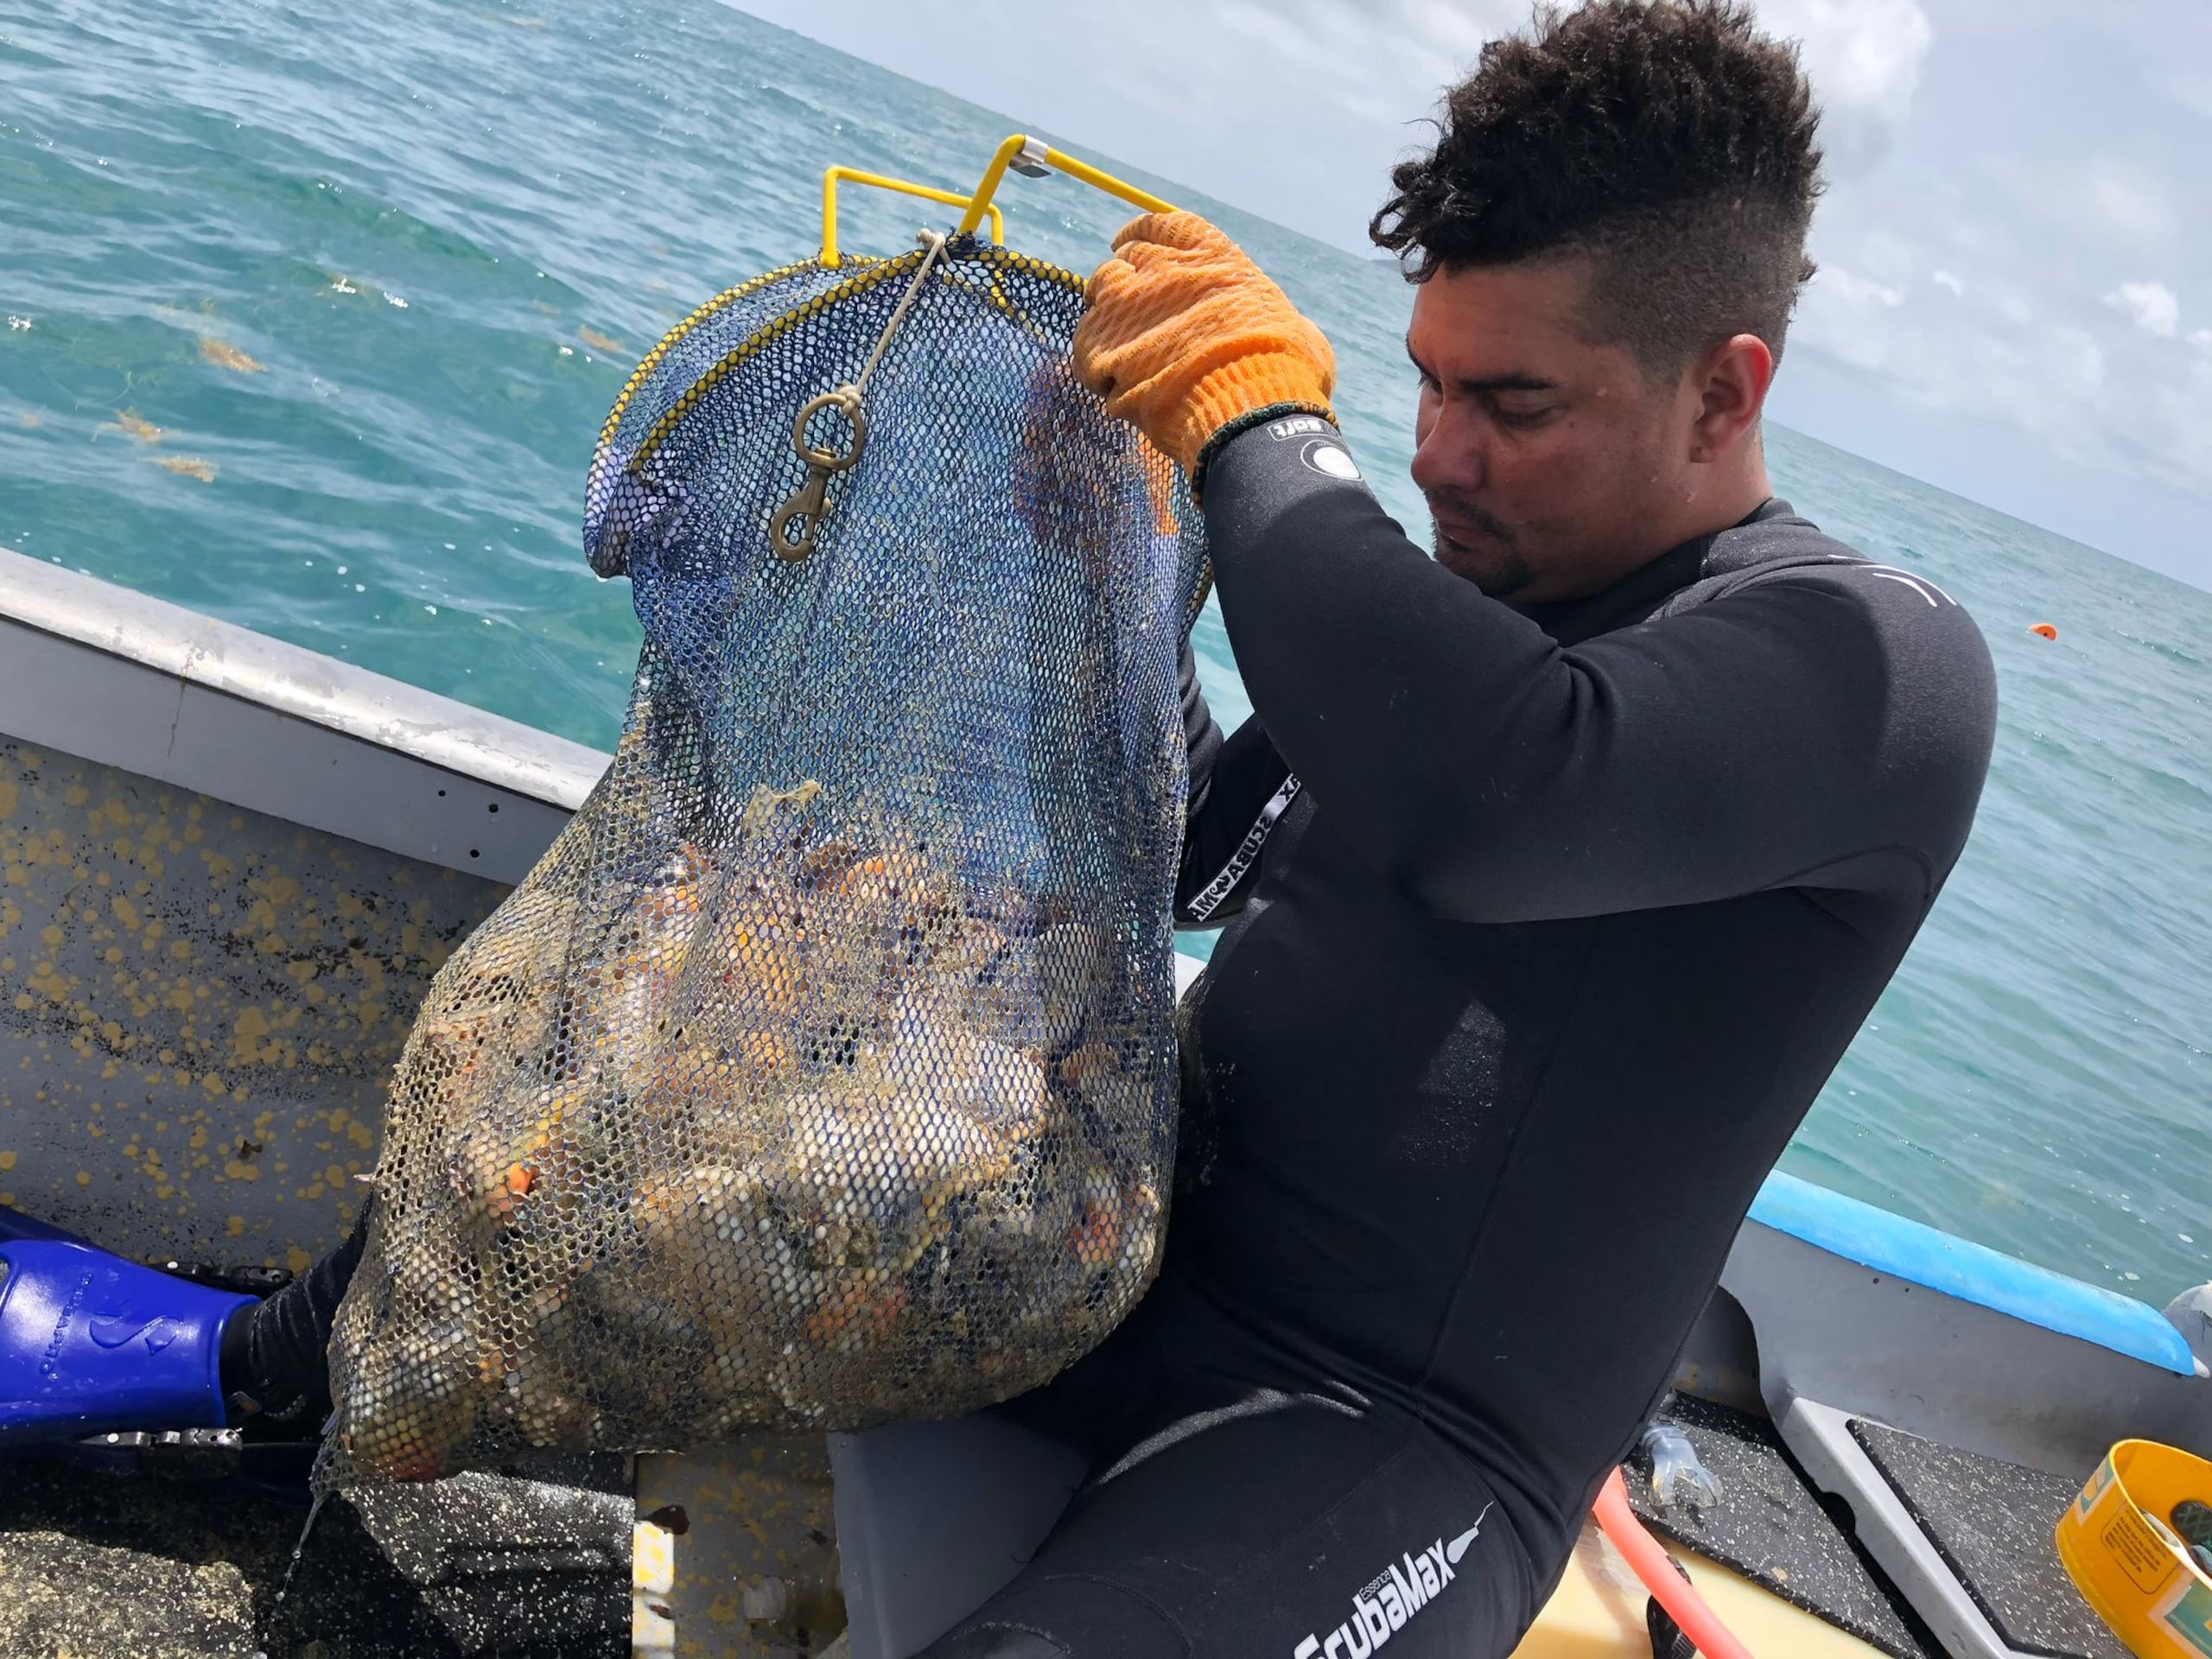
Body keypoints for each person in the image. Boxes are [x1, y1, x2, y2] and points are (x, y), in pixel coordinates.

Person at [1, 3, 1994, 1654]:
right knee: (597, 1150)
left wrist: (1245, 422)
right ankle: (259, 1372)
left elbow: (1487, 794)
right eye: (1417, 386)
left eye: (1517, 405)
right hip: (1101, 1253)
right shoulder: (1458, 610)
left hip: (1384, 1429)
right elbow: (1187, 861)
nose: (1439, 456)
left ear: (1723, 388)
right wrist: (1093, 607)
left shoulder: (1861, 670)